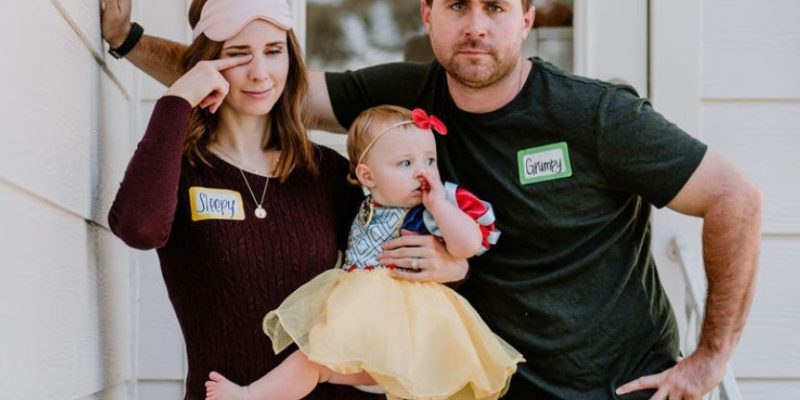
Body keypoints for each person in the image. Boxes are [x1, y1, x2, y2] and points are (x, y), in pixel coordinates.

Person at [102, 0, 763, 398]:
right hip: (488, 387)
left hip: (613, 388)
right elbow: (267, 82)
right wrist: (131, 43)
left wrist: (710, 358)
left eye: (497, 7)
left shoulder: (595, 115)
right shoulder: (405, 92)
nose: (476, 26)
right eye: (456, 6)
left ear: (527, 19)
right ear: (428, 15)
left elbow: (735, 198)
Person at [104, 1, 465, 399]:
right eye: (238, 54)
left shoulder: (322, 171)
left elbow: (390, 265)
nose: (260, 72)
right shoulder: (185, 170)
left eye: (273, 51)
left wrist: (452, 264)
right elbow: (139, 228)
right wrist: (178, 100)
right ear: (209, 64)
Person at [204, 105, 524, 400]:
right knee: (312, 361)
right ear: (368, 176)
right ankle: (249, 396)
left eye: (429, 160)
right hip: (364, 326)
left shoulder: (428, 210)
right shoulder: (363, 205)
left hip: (411, 329)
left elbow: (467, 246)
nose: (423, 172)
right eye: (406, 163)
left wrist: (440, 204)